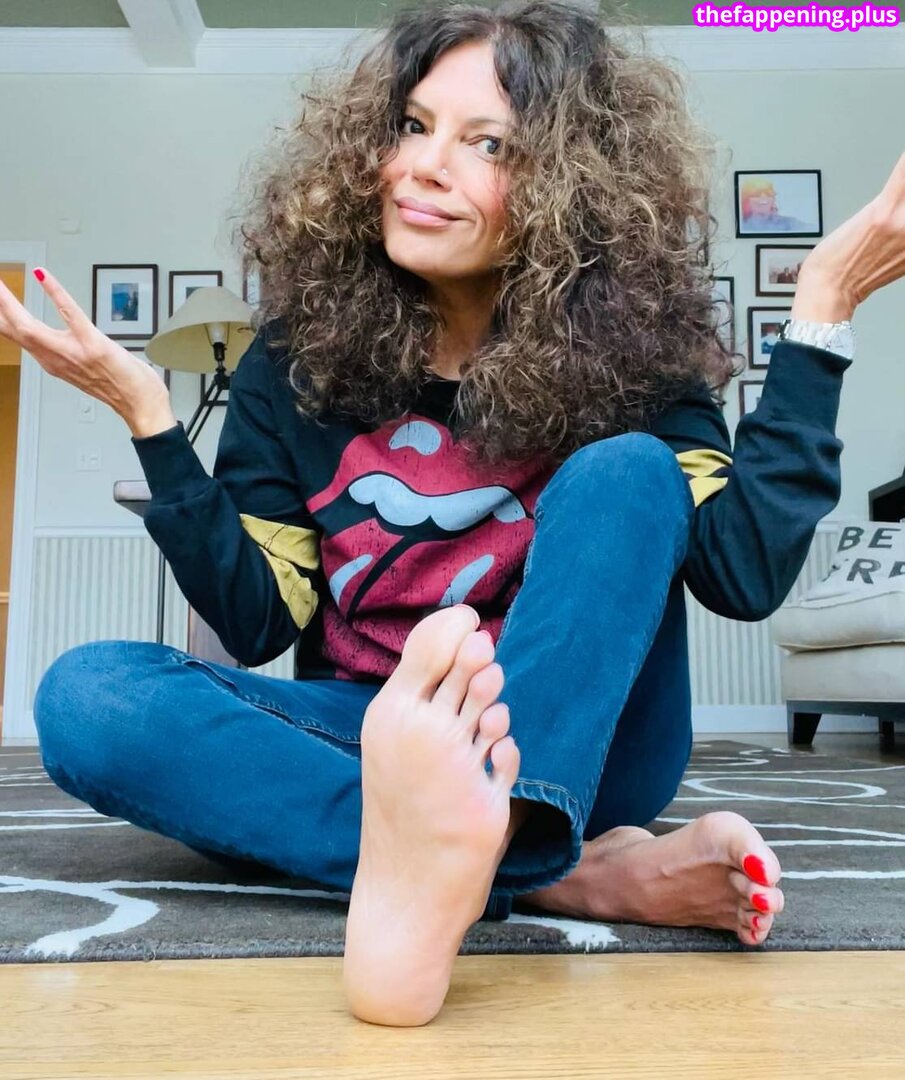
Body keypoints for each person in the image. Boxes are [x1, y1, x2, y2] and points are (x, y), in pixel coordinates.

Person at [1, 0, 903, 1029]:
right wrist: (152, 423)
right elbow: (256, 624)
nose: (423, 166)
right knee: (90, 699)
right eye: (413, 125)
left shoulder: (637, 368)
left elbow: (740, 576)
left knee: (627, 471)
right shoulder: (290, 364)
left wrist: (821, 308)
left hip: (583, 750)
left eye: (486, 144)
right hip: (384, 731)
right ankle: (556, 874)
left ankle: (506, 831)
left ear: (567, 189)